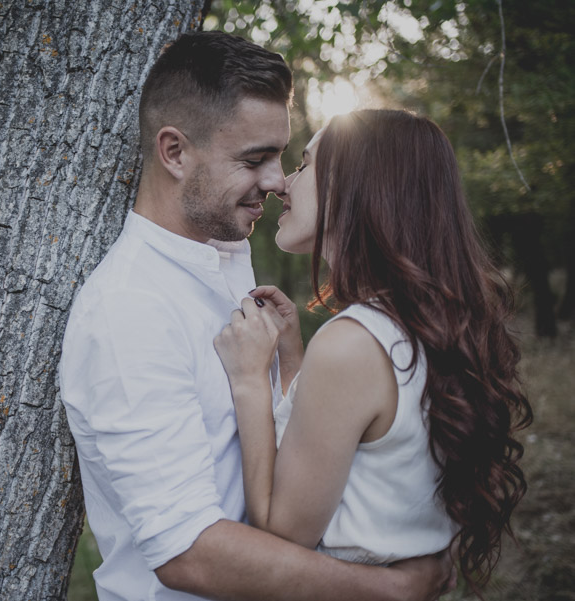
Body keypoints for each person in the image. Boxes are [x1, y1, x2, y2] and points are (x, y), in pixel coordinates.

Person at [59, 32, 452, 601]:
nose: (275, 180)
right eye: (254, 160)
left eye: (282, 156)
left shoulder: (225, 261)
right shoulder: (130, 311)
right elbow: (187, 551)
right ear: (174, 152)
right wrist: (391, 590)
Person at [214, 109, 533, 596]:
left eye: (304, 165)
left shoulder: (353, 345)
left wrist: (250, 379)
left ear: (355, 186)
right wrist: (294, 361)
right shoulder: (423, 324)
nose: (283, 184)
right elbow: (365, 466)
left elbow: (282, 533)